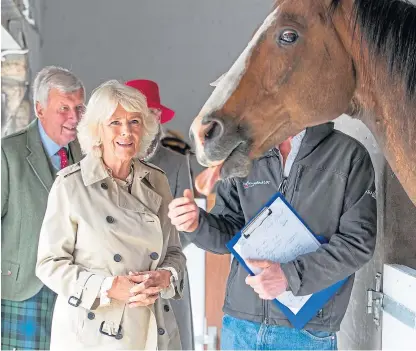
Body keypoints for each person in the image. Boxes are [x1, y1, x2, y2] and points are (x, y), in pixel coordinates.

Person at [168, 123, 377, 350]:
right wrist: (197, 224)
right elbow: (231, 230)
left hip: (306, 332)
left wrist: (289, 276)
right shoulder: (244, 153)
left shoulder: (348, 155)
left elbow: (358, 243)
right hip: (240, 327)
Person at [35, 80, 186, 350]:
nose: (126, 132)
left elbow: (174, 251)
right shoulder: (71, 184)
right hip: (95, 333)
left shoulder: (157, 181)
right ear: (97, 130)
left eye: (134, 122)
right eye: (115, 122)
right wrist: (106, 286)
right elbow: (49, 264)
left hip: (153, 329)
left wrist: (165, 276)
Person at [1, 66, 85, 350]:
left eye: (79, 107)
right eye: (64, 108)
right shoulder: (8, 154)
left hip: (72, 290)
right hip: (22, 290)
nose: (74, 117)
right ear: (39, 109)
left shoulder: (86, 156)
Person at [125, 79, 195, 350]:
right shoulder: (106, 161)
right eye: (140, 113)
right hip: (123, 276)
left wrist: (161, 262)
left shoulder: (177, 161)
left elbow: (187, 226)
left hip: (165, 271)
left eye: (153, 113)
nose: (148, 119)